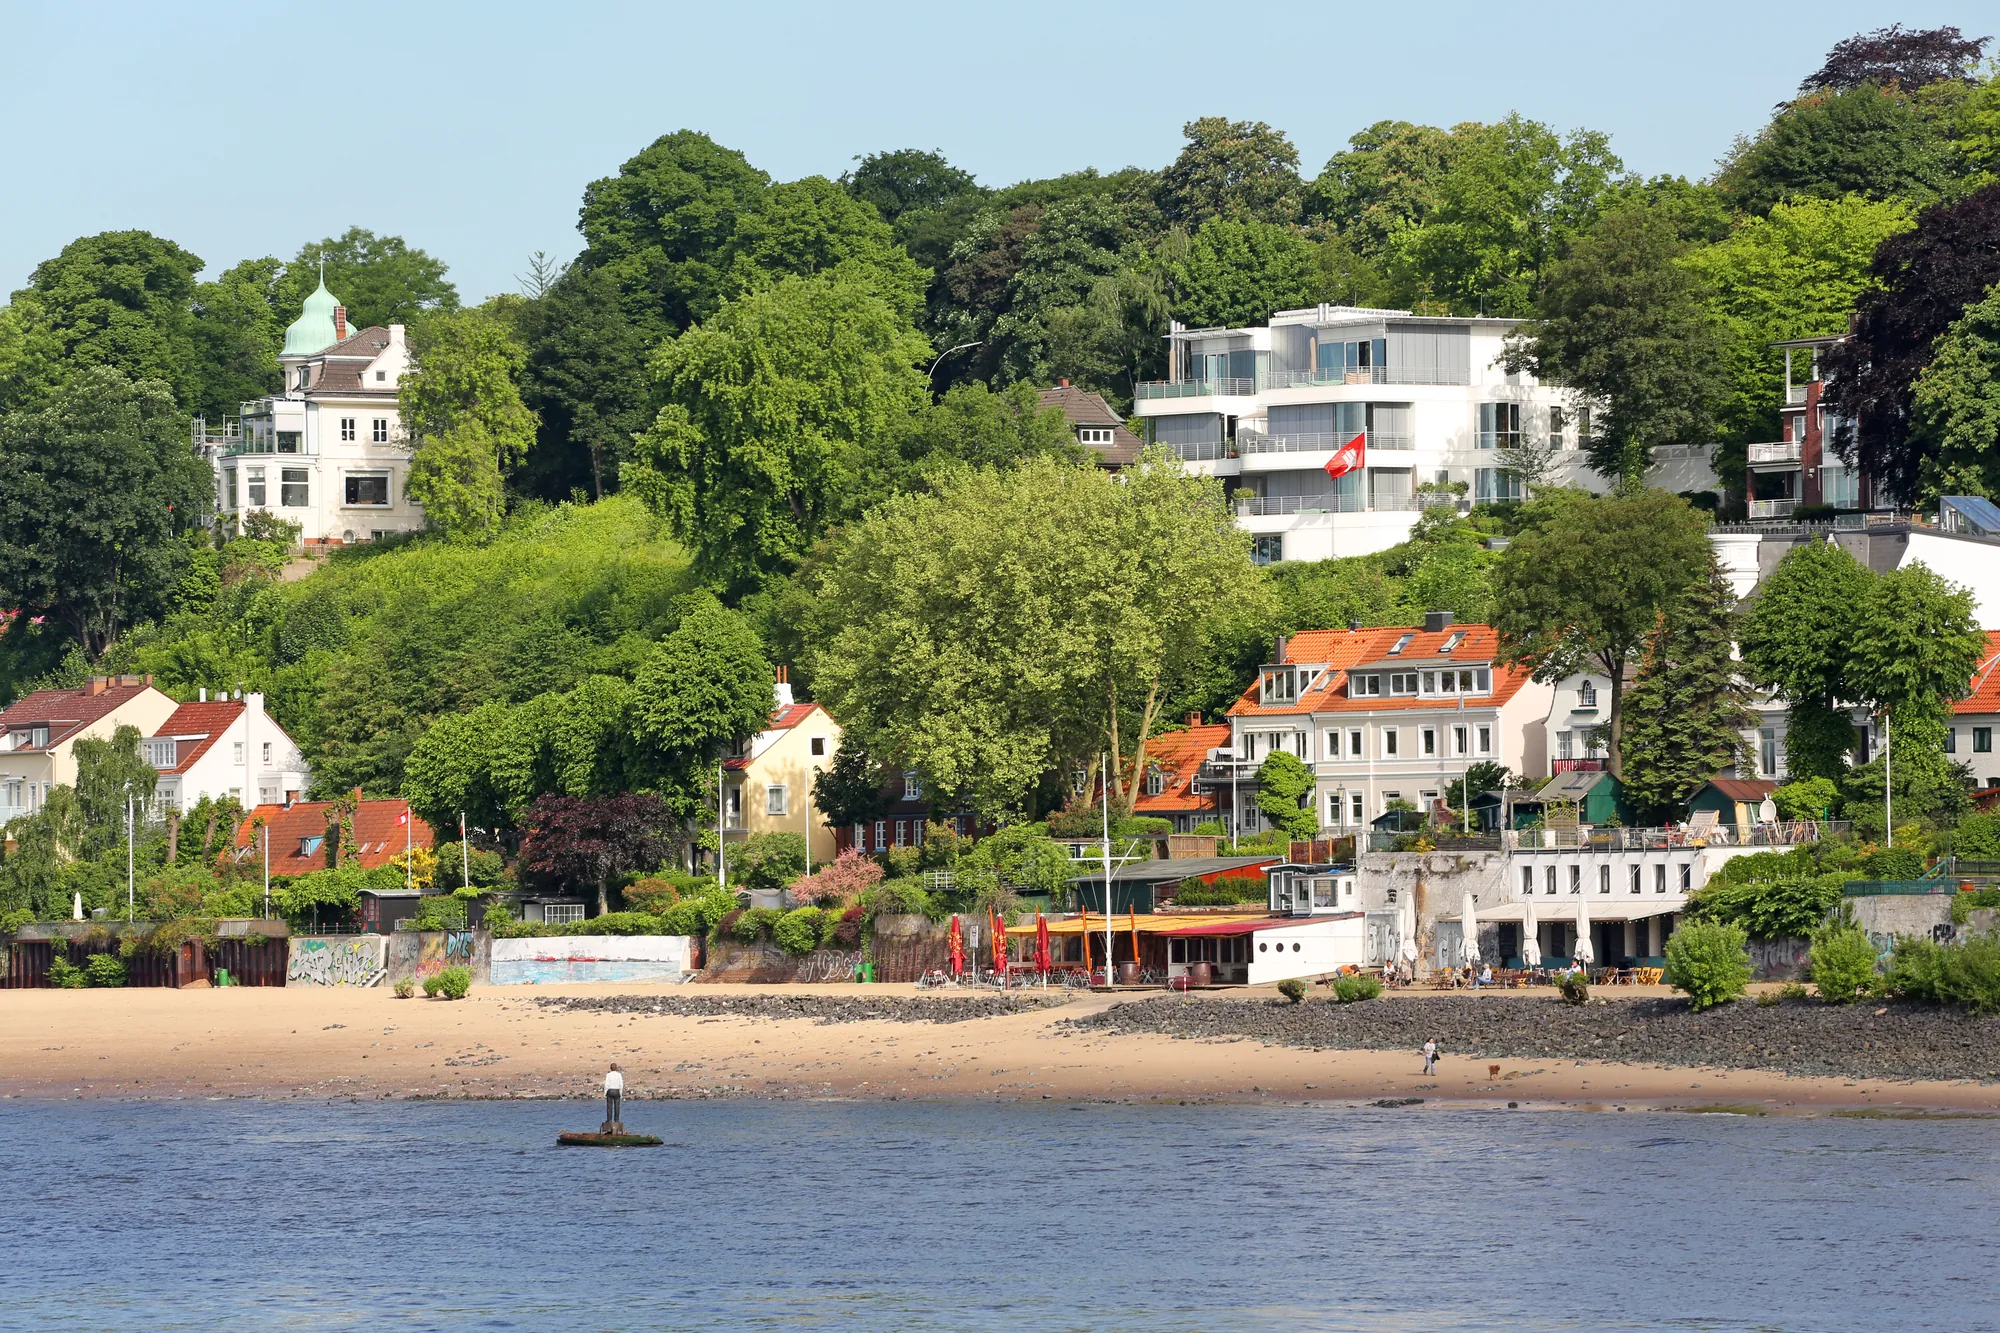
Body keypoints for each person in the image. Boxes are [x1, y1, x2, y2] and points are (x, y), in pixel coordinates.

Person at [603, 1062, 623, 1129]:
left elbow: (606, 1084)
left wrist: (605, 1093)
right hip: (616, 1091)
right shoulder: (619, 1075)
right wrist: (621, 1093)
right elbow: (621, 1084)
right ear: (616, 1068)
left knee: (609, 1106)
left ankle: (609, 1120)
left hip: (610, 1091)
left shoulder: (608, 1075)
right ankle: (616, 1120)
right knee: (617, 1106)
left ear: (610, 1068)